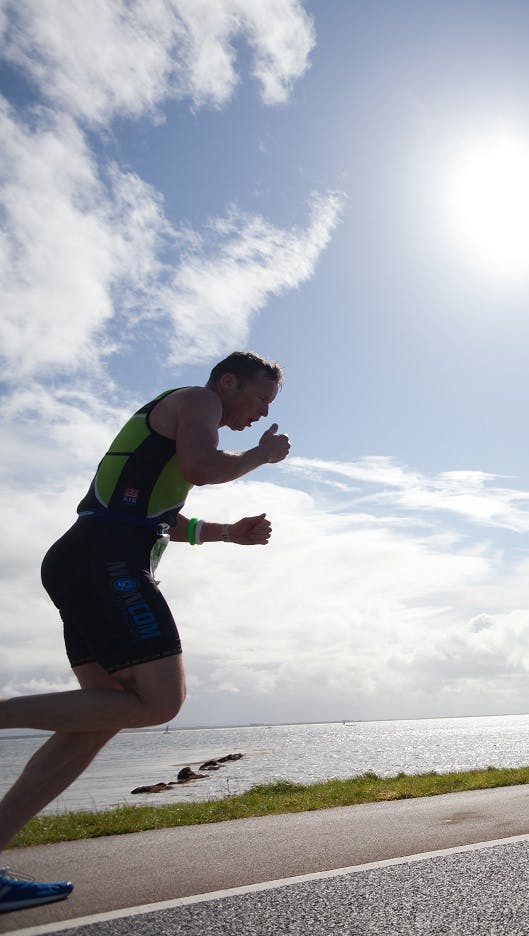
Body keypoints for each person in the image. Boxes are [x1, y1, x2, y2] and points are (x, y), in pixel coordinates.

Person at [0, 352, 289, 912]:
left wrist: (230, 534)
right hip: (106, 562)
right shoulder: (197, 401)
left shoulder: (176, 430)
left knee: (100, 716)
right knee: (160, 702)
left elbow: (162, 515)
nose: (260, 414)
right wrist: (261, 456)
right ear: (227, 382)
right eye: (260, 400)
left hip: (87, 557)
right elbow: (204, 468)